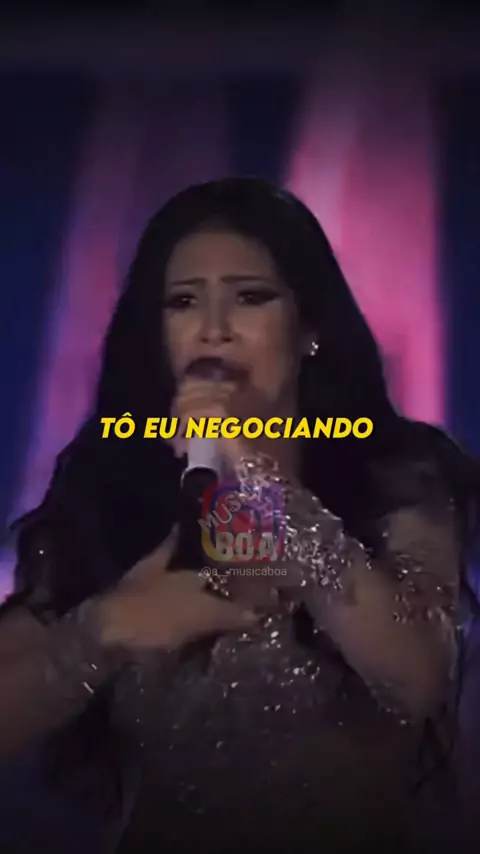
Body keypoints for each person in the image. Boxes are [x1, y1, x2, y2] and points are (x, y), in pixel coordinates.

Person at [0, 177, 476, 853]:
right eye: (183, 302)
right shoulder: (114, 490)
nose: (214, 328)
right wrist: (97, 634)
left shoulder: (397, 472)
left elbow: (416, 675)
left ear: (309, 328)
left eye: (251, 297)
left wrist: (252, 468)